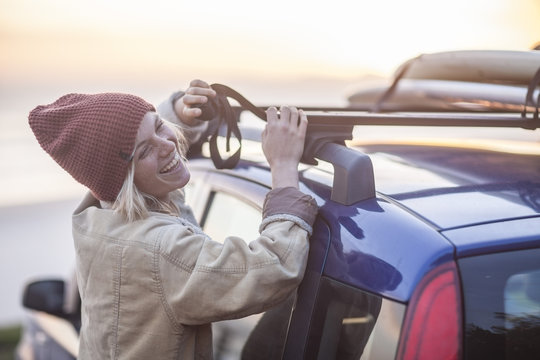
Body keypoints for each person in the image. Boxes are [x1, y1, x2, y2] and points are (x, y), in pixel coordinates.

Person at [28, 79, 318, 359]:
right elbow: (275, 267)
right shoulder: (160, 251)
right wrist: (282, 167)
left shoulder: (96, 215)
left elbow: (124, 153)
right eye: (144, 151)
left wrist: (179, 114)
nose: (167, 145)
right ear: (124, 179)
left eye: (158, 125)